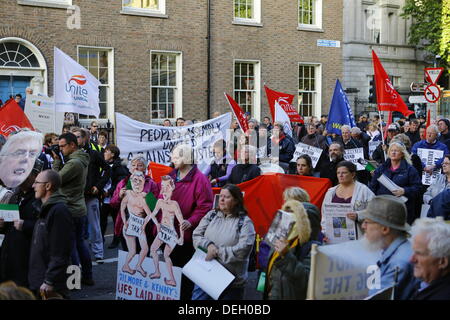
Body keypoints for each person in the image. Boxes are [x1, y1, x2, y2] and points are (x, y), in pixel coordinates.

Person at [157, 143, 214, 299]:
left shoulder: (200, 180)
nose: (172, 159)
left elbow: (205, 206)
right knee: (171, 271)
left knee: (186, 277)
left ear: (187, 158)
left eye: (176, 157)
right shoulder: (170, 176)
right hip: (168, 233)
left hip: (187, 237)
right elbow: (158, 196)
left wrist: (191, 221)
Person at [192, 184, 255, 300]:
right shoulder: (211, 215)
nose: (221, 199)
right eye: (220, 196)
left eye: (226, 197)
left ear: (236, 201)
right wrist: (209, 245)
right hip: (204, 275)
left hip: (231, 284)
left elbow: (243, 250)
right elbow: (196, 235)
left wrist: (217, 252)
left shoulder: (245, 223)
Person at [52, 132, 93, 286]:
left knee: (72, 246)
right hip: (78, 207)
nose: (60, 149)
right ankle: (87, 276)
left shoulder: (74, 163)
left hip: (70, 208)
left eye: (63, 146)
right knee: (80, 242)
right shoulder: (80, 159)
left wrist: (56, 162)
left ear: (72, 145)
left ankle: (74, 281)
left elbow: (55, 180)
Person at [28, 169, 74, 299]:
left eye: (37, 182)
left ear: (48, 186)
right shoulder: (45, 208)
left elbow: (60, 251)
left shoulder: (59, 211)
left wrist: (50, 281)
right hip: (39, 280)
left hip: (50, 284)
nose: (33, 186)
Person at [359, 195, 415, 300]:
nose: (363, 226)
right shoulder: (401, 251)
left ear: (384, 229)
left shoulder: (398, 263)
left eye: (367, 222)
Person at [0, 158, 43, 287]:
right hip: (9, 254)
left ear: (35, 175)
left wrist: (25, 225)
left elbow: (46, 228)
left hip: (28, 257)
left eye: (24, 173)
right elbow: (7, 223)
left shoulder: (40, 198)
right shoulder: (14, 195)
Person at [264, 200, 314, 300]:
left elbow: (305, 281)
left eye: (292, 213)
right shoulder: (280, 239)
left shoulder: (307, 247)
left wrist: (286, 255)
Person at [76, 128, 111, 263]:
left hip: (90, 196)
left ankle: (98, 253)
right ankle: (77, 253)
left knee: (94, 225)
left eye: (78, 137)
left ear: (85, 138)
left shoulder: (94, 154)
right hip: (75, 197)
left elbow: (107, 169)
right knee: (76, 226)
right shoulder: (70, 155)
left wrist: (98, 186)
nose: (75, 139)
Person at [110, 156, 159, 251]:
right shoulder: (123, 183)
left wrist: (147, 197)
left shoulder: (151, 184)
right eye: (133, 165)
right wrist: (119, 196)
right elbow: (113, 204)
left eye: (139, 165)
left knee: (143, 256)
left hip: (145, 228)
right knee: (128, 254)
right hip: (126, 225)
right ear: (130, 168)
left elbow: (156, 207)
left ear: (145, 168)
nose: (136, 167)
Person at [145, 175, 185, 286]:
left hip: (171, 233)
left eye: (167, 187)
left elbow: (181, 222)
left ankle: (172, 279)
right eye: (163, 186)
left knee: (167, 255)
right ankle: (157, 272)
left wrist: (181, 237)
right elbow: (152, 214)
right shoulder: (160, 202)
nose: (164, 190)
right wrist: (152, 224)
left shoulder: (174, 204)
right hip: (163, 231)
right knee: (153, 249)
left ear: (172, 188)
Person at [370, 141, 422, 224]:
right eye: (391, 150)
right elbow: (373, 187)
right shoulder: (381, 169)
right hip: (383, 208)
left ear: (402, 154)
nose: (393, 153)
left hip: (402, 209)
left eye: (396, 151)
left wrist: (404, 191)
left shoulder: (410, 170)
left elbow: (418, 188)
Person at [321, 161, 375, 240]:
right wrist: (325, 232)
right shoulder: (330, 192)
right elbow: (325, 215)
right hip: (335, 236)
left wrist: (358, 215)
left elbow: (376, 210)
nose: (340, 175)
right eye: (338, 173)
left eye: (344, 173)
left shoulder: (363, 190)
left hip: (359, 237)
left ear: (352, 174)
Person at [120, 171, 154, 278]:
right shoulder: (127, 193)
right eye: (135, 180)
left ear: (144, 182)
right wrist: (125, 222)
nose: (137, 183)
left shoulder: (144, 196)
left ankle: (139, 265)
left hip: (140, 225)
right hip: (130, 224)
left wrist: (144, 224)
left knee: (145, 249)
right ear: (131, 181)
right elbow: (122, 209)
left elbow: (150, 214)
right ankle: (126, 266)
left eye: (140, 181)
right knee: (133, 251)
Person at [408, 217, 450, 300]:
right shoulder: (426, 284)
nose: (411, 259)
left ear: (443, 262)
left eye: (419, 253)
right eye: (413, 252)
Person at [101, 144, 129, 247]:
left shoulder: (119, 166)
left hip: (114, 198)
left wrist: (110, 191)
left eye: (106, 151)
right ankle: (101, 240)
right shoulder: (104, 165)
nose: (104, 153)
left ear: (112, 154)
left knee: (116, 220)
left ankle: (116, 240)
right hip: (104, 198)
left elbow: (120, 182)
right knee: (102, 219)